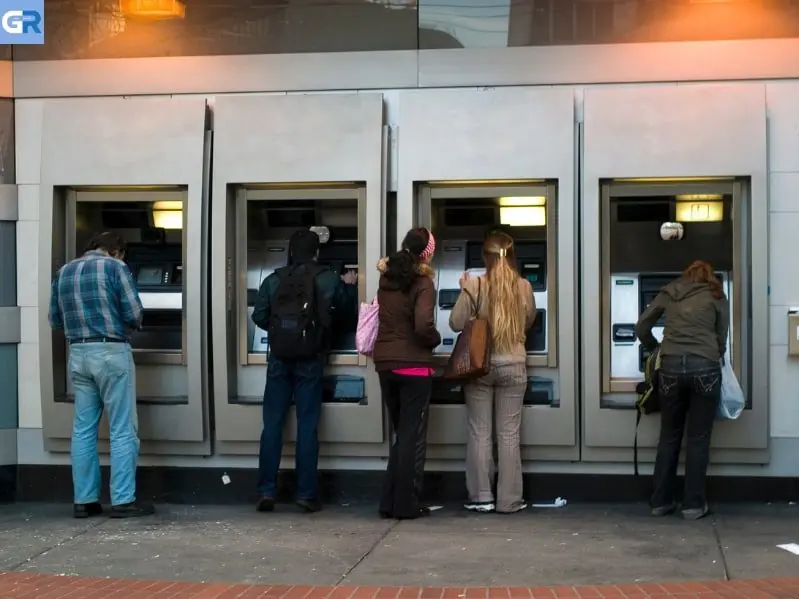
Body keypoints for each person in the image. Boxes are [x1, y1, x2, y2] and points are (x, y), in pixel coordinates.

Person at [48, 231, 154, 519]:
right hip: (110, 352)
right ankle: (123, 501)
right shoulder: (116, 268)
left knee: (83, 429)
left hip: (78, 354)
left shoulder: (64, 271)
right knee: (122, 428)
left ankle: (85, 501)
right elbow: (134, 312)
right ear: (117, 251)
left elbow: (54, 319)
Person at [252, 229, 357, 513]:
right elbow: (347, 316)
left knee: (272, 425)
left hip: (279, 360)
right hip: (310, 359)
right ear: (316, 252)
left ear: (289, 251)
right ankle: (307, 493)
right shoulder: (328, 278)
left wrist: (282, 333)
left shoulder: (273, 280)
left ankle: (266, 490)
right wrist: (348, 287)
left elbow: (258, 315)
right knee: (307, 425)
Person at [636, 260, 730, 520]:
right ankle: (693, 505)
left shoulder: (670, 291)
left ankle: (660, 502)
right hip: (705, 369)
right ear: (709, 277)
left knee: (669, 436)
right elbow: (722, 336)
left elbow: (642, 326)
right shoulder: (717, 294)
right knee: (698, 439)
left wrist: (656, 348)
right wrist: (713, 353)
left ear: (686, 276)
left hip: (671, 369)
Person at [450, 233, 535, 514]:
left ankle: (481, 497)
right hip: (513, 365)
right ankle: (509, 500)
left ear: (484, 257)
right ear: (512, 256)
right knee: (509, 435)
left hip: (480, 366)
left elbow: (455, 323)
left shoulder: (474, 285)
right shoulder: (524, 287)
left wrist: (464, 291)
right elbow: (529, 321)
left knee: (480, 432)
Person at [372, 227, 440, 520]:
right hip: (413, 366)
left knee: (402, 435)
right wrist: (435, 339)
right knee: (412, 437)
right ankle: (406, 505)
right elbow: (423, 324)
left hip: (386, 364)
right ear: (428, 253)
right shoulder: (423, 282)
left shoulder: (386, 279)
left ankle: (388, 502)